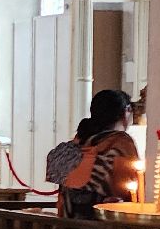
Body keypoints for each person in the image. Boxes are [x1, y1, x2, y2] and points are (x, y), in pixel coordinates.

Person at [51, 89, 139, 221]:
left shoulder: (79, 140)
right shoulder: (121, 142)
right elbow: (131, 188)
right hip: (104, 226)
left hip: (68, 224)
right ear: (126, 111)